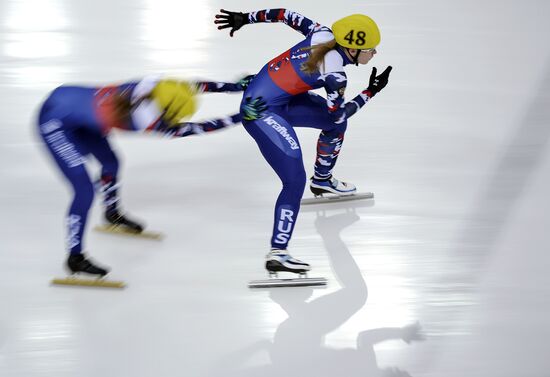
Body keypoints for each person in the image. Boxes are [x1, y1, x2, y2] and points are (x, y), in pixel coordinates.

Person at [215, 9, 392, 275]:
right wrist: (370, 92)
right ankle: (278, 252)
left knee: (336, 126)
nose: (374, 54)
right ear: (353, 49)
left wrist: (245, 18)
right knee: (294, 180)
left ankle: (322, 180)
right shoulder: (335, 76)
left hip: (278, 100)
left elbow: (285, 14)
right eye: (370, 49)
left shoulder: (322, 32)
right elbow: (340, 110)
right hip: (260, 112)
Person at [38, 75, 254, 277]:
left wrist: (235, 87)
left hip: (75, 106)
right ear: (166, 113)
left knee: (111, 163)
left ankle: (112, 213)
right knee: (83, 191)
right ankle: (75, 257)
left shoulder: (156, 87)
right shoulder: (144, 120)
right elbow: (196, 128)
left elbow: (199, 86)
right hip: (55, 122)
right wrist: (239, 116)